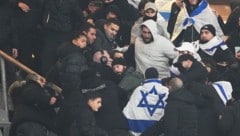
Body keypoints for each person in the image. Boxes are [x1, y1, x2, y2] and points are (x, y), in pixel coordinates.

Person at [40, 0, 85, 75]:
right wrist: (44, 25)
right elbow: (42, 11)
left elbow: (80, 18)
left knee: (60, 58)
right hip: (50, 33)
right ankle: (45, 78)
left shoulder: (72, 3)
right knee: (47, 58)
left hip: (64, 34)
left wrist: (73, 32)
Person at [80, 69, 130, 136]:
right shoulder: (110, 85)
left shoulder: (81, 94)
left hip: (101, 129)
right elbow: (124, 96)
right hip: (119, 124)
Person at [123, 67, 169, 136]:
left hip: (139, 127)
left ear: (145, 77)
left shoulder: (139, 90)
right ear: (158, 76)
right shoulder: (166, 90)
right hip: (159, 128)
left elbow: (129, 109)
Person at [46, 31, 89, 97]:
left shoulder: (65, 54)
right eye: (82, 41)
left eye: (86, 42)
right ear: (74, 41)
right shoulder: (76, 56)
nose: (85, 44)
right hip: (72, 92)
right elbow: (73, 77)